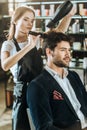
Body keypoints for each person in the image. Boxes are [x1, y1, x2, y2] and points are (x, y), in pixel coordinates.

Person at [1, 4, 76, 130]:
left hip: (41, 89)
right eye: (26, 19)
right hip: (23, 94)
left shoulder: (35, 39)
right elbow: (5, 65)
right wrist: (29, 46)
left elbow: (58, 31)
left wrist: (68, 16)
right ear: (15, 20)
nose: (30, 24)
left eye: (32, 20)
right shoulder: (9, 45)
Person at [27, 31, 87, 130]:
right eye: (63, 50)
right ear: (49, 52)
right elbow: (45, 127)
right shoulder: (37, 86)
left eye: (69, 50)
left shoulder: (73, 76)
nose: (68, 54)